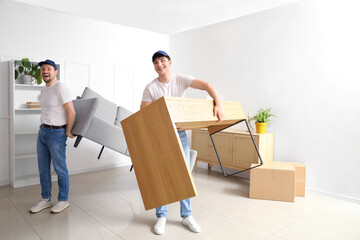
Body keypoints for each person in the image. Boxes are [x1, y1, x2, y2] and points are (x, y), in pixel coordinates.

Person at [141, 50, 224, 235]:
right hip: (160, 136)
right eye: (155, 62)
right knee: (161, 175)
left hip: (180, 134)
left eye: (162, 60)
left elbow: (207, 85)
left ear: (170, 62)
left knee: (184, 175)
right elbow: (143, 114)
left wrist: (217, 103)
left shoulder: (181, 79)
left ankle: (186, 216)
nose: (159, 64)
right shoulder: (150, 88)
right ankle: (161, 216)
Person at [29, 59, 76, 214]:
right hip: (43, 131)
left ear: (55, 72)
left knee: (60, 168)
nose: (45, 71)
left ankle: (63, 200)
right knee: (43, 168)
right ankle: (45, 199)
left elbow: (71, 111)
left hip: (57, 133)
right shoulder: (44, 90)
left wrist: (68, 131)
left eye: (49, 69)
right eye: (43, 69)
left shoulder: (60, 87)